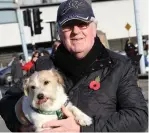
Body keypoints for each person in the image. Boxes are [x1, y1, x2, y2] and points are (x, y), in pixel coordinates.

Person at [0, 0, 148, 132]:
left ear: (94, 28)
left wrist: (82, 128)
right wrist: (20, 123)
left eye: (82, 24)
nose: (76, 31)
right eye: (67, 26)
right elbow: (7, 101)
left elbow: (139, 117)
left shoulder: (119, 66)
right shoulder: (43, 65)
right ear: (59, 32)